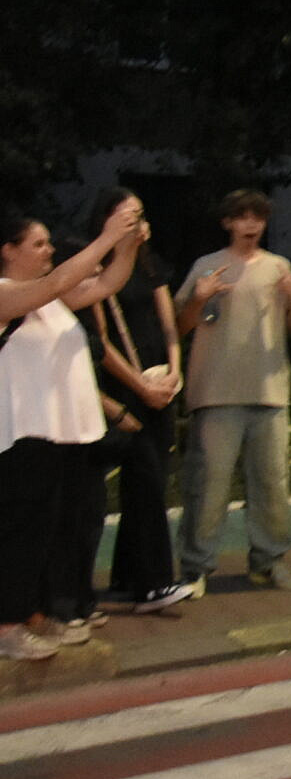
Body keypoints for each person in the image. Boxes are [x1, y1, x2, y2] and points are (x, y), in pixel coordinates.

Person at [0, 199, 147, 659]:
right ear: (9, 251)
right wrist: (105, 237)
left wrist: (126, 246)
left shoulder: (51, 298)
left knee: (50, 530)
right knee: (19, 531)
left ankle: (37, 615)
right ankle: (6, 626)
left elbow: (106, 283)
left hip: (57, 434)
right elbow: (60, 280)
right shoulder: (8, 294)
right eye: (38, 244)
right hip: (20, 436)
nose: (48, 251)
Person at [174, 190, 291, 592]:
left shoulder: (279, 267)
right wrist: (198, 299)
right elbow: (180, 327)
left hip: (269, 390)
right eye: (242, 217)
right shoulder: (206, 266)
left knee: (272, 484)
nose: (251, 225)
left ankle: (269, 561)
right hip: (215, 392)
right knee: (208, 485)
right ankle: (196, 568)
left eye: (258, 218)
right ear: (227, 222)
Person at [81, 192, 190, 614]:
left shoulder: (149, 262)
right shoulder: (95, 267)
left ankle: (129, 576)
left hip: (159, 380)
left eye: (141, 215)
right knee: (141, 479)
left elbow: (168, 323)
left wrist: (174, 370)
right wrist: (139, 388)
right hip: (122, 387)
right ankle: (154, 583)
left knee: (150, 483)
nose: (139, 222)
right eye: (129, 215)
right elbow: (102, 342)